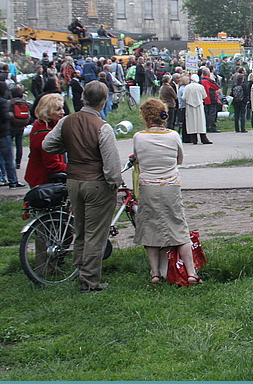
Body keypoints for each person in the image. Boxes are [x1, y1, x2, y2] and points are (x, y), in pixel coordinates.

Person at [42, 81, 121, 292]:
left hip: (74, 180)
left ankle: (79, 268)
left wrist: (67, 145)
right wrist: (115, 184)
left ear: (82, 97)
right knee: (96, 233)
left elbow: (47, 144)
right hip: (96, 184)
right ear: (103, 101)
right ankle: (89, 279)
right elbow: (111, 164)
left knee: (81, 230)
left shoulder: (66, 121)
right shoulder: (102, 127)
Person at [132, 99, 201, 286]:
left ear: (145, 117)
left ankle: (155, 273)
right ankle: (191, 272)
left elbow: (137, 158)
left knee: (150, 227)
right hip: (171, 185)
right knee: (178, 224)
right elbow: (179, 159)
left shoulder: (139, 137)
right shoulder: (173, 136)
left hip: (148, 187)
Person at [24, 93, 68, 187]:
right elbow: (53, 165)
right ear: (47, 111)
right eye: (58, 109)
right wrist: (76, 168)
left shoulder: (39, 124)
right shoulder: (45, 134)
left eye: (62, 108)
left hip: (37, 176)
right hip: (43, 180)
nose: (62, 112)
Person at [182, 74, 212, 145]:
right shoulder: (200, 87)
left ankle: (194, 139)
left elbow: (183, 97)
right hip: (199, 105)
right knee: (200, 122)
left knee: (191, 122)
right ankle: (203, 138)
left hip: (190, 106)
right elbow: (204, 96)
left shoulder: (187, 87)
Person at [199, 67, 221, 134]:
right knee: (212, 114)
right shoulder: (209, 81)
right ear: (208, 73)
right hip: (211, 99)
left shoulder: (201, 81)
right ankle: (212, 127)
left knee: (205, 113)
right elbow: (216, 87)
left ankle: (206, 126)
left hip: (203, 99)